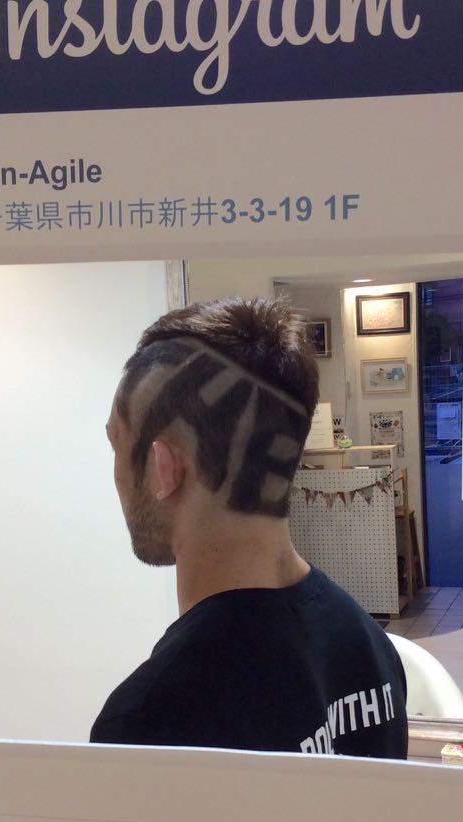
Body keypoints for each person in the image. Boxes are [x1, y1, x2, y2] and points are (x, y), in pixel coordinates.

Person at [90, 297, 408, 758]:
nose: (117, 472)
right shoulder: (369, 645)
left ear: (164, 468)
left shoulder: (151, 719)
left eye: (116, 445)